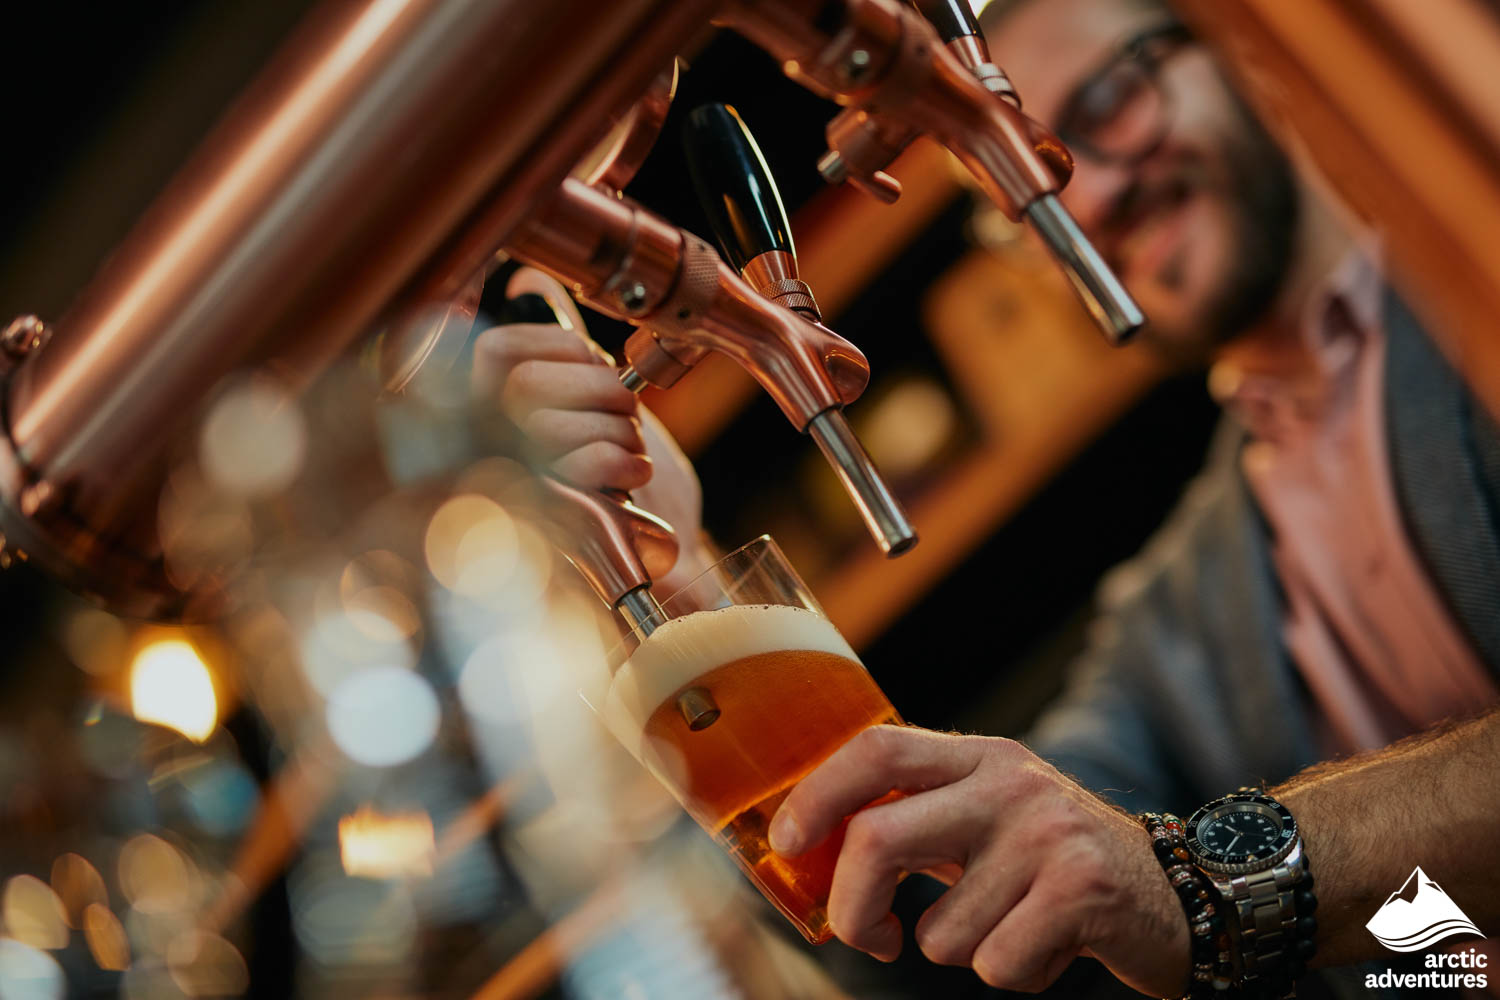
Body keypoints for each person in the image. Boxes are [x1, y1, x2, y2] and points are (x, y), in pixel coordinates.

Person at [475, 0, 1500, 992]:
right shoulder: (1186, 597)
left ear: (1245, 50)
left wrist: (1202, 890)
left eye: (1105, 105)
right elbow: (941, 910)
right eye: (1017, 198)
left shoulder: (1476, 296)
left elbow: (1165, 886)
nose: (1090, 194)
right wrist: (689, 583)